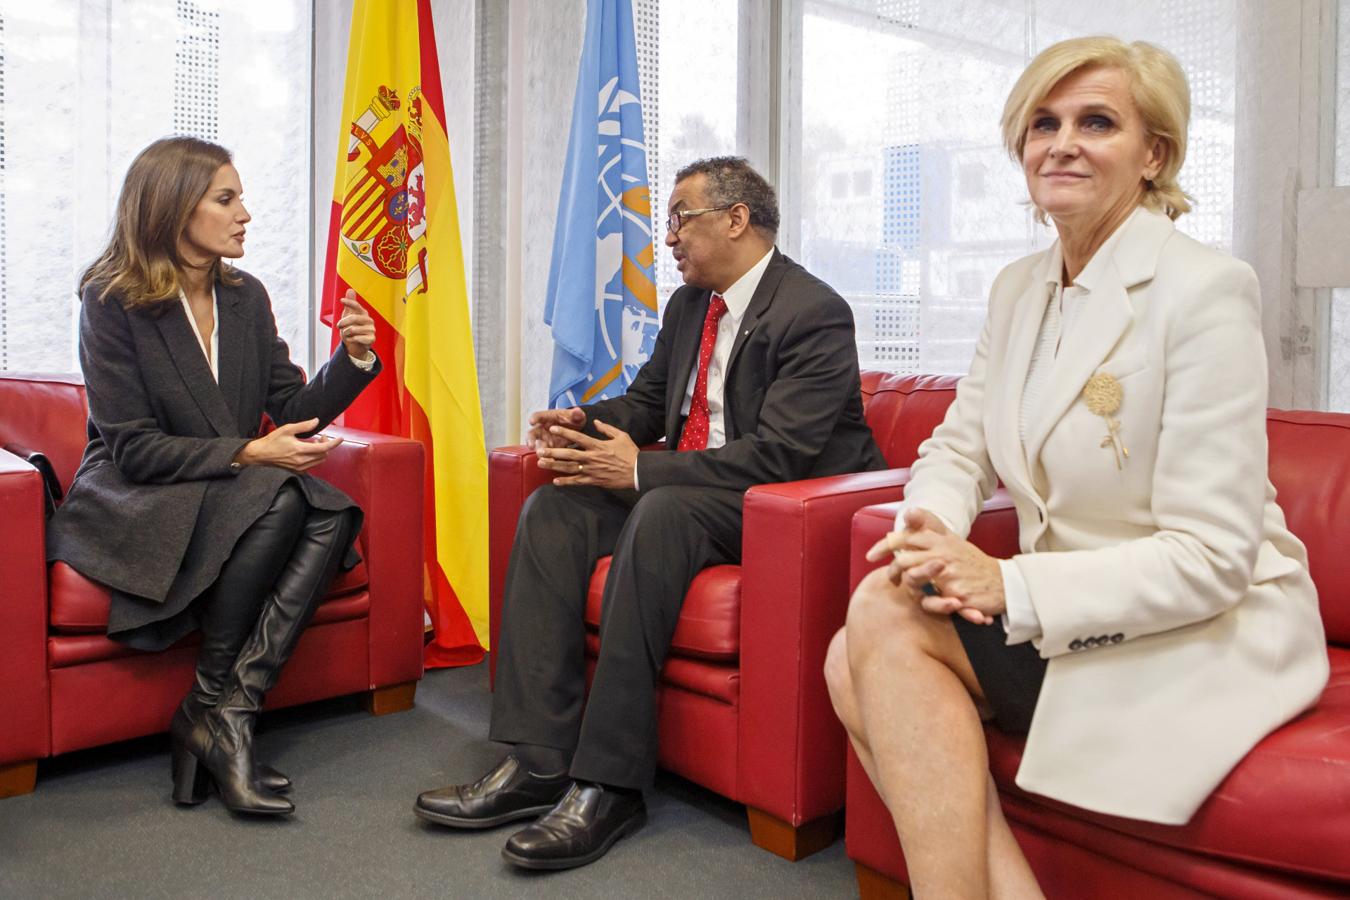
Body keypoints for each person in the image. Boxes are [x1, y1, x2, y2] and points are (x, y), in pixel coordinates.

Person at [824, 36, 1330, 898]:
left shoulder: (1206, 289)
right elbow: (960, 445)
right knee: (853, 651)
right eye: (1043, 124)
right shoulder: (1017, 287)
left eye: (1096, 122)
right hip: (1070, 604)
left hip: (1197, 623)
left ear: (1154, 154)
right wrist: (929, 528)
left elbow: (1212, 557)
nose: (1061, 144)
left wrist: (1003, 584)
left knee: (872, 627)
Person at [415, 156, 886, 869]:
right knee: (555, 507)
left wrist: (639, 470)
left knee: (661, 512)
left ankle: (609, 786)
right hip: (696, 488)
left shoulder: (813, 311)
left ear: (737, 219)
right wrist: (582, 421)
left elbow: (782, 456)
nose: (667, 238)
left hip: (784, 509)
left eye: (680, 219)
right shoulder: (690, 306)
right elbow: (646, 403)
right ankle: (539, 760)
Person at [47, 136, 382, 817]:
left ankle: (221, 711)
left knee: (328, 509)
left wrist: (352, 359)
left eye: (241, 199)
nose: (245, 215)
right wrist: (251, 455)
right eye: (226, 200)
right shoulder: (111, 301)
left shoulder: (245, 297)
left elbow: (291, 404)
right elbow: (134, 448)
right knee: (285, 498)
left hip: (227, 486)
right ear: (174, 209)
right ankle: (218, 719)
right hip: (136, 490)